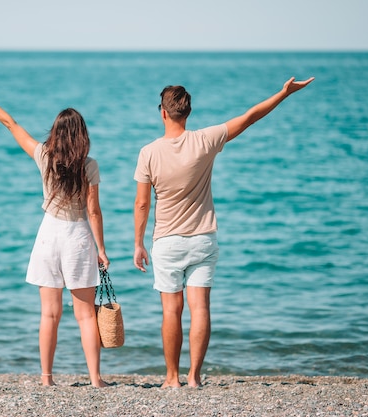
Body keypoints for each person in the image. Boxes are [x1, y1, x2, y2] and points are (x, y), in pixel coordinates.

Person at [133, 77, 314, 388]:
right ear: (186, 113)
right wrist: (283, 94)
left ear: (162, 112)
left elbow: (141, 204)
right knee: (200, 307)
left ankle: (172, 378)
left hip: (167, 242)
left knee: (170, 310)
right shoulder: (206, 140)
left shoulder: (148, 152)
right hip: (203, 238)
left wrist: (138, 243)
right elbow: (250, 116)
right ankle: (194, 377)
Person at [0, 80, 110, 388]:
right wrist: (102, 249)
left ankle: (46, 379)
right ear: (82, 136)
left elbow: (10, 124)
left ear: (55, 133)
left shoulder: (44, 156)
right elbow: (93, 211)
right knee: (84, 316)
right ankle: (95, 380)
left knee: (49, 315)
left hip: (49, 236)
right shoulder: (89, 165)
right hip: (78, 238)